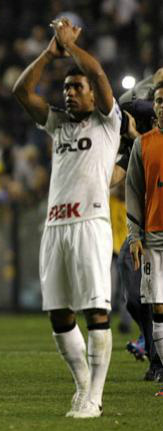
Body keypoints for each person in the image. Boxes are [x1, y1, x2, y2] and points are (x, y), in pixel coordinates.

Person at [12, 18, 121, 418]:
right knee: (59, 314)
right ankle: (81, 387)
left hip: (90, 224)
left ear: (93, 96)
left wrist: (72, 46)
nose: (69, 93)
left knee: (96, 311)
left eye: (77, 88)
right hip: (55, 227)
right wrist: (50, 53)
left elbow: (99, 72)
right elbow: (20, 91)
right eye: (66, 88)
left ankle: (95, 395)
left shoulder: (109, 122)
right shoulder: (57, 124)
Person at [126, 80, 163, 397]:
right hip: (149, 235)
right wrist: (135, 234)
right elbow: (133, 192)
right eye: (159, 102)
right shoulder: (139, 146)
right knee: (149, 303)